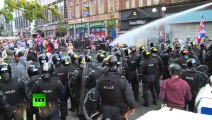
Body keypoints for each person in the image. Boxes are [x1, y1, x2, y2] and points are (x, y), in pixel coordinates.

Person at [94, 55, 136, 120]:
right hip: (119, 111)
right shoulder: (122, 80)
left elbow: (95, 97)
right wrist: (132, 106)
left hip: (105, 109)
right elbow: (129, 95)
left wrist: (97, 109)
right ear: (116, 66)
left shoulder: (100, 79)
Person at [52, 54, 68, 120]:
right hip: (63, 88)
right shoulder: (64, 68)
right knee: (63, 103)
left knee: (56, 104)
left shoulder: (53, 70)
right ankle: (64, 116)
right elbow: (67, 79)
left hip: (55, 90)